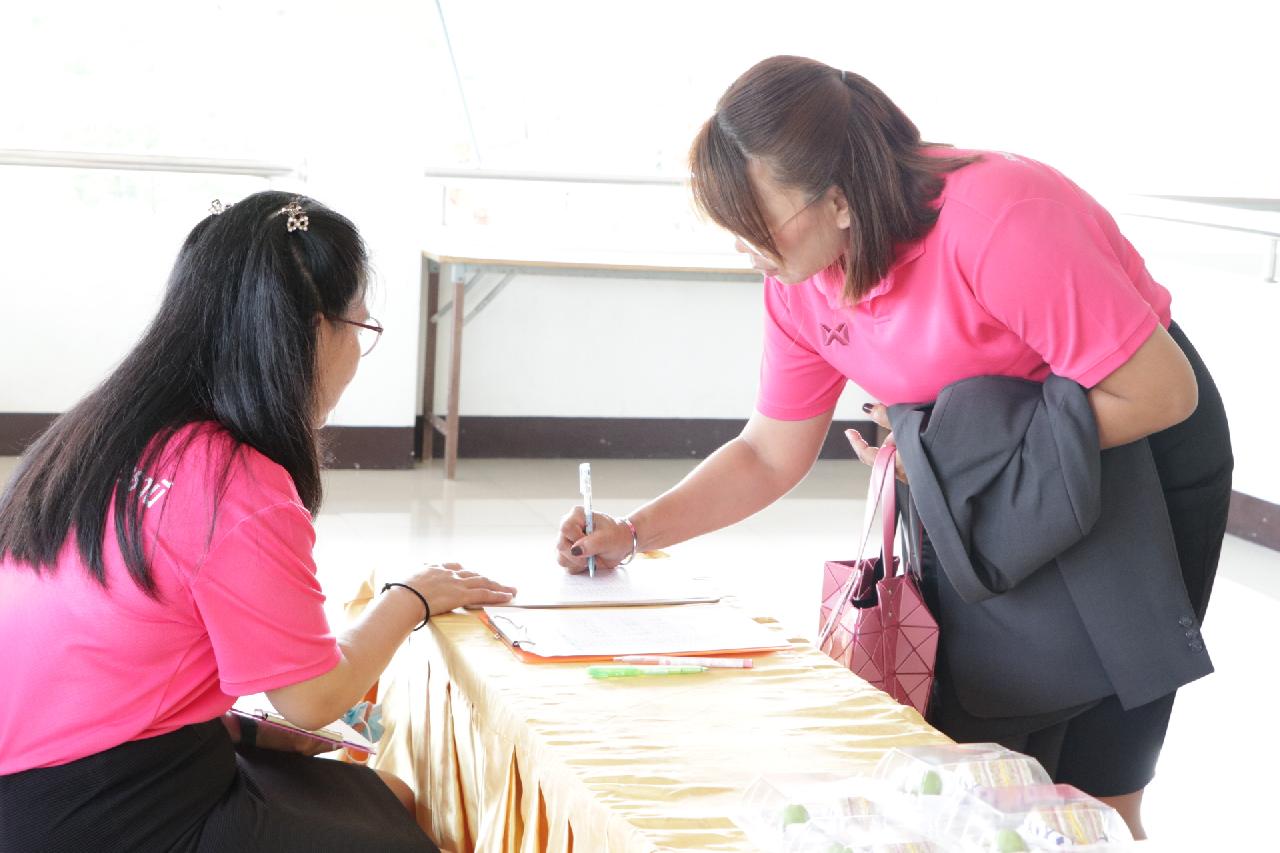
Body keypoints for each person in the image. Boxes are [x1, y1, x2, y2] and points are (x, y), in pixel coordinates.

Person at [555, 56, 1232, 839]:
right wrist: (633, 531)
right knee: (980, 771)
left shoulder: (998, 219)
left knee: (1098, 789)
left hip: (1134, 455)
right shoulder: (799, 282)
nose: (743, 248)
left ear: (839, 201)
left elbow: (1161, 392)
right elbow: (769, 452)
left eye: (755, 223)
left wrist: (955, 454)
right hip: (982, 493)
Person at [0, 191, 516, 852]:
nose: (357, 350)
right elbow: (314, 699)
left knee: (390, 798)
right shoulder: (233, 482)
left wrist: (244, 727)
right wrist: (409, 598)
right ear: (313, 331)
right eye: (360, 325)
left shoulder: (96, 431)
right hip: (102, 806)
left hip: (68, 770)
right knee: (401, 829)